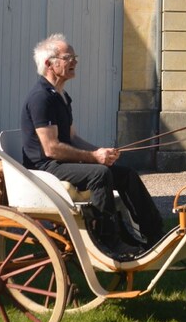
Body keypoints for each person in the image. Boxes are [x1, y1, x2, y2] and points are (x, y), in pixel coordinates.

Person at [20, 33, 163, 259]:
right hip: (45, 167)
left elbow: (73, 137)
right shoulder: (41, 98)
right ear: (49, 63)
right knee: (100, 174)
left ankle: (155, 235)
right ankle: (109, 241)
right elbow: (51, 148)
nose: (75, 61)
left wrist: (101, 151)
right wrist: (95, 158)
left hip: (59, 162)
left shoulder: (61, 95)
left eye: (75, 56)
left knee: (126, 175)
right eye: (69, 57)